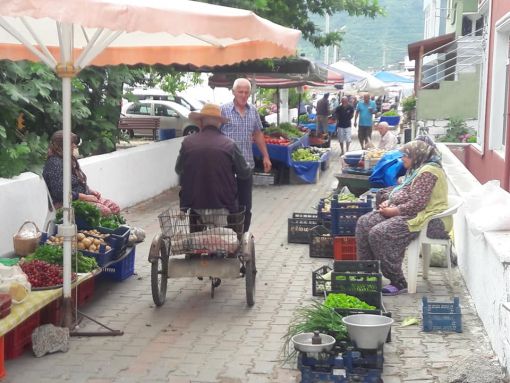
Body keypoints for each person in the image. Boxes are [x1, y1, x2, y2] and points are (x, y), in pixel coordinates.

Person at [355, 140, 451, 296]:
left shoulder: (429, 172)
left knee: (380, 233)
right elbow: (406, 191)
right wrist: (389, 201)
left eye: (406, 155)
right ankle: (368, 274)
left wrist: (392, 211)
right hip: (412, 213)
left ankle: (398, 282)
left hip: (431, 220)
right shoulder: (416, 169)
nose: (402, 159)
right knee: (364, 222)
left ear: (417, 155)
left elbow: (418, 203)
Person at [175, 103, 250, 219]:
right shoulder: (229, 144)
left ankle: (190, 221)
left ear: (200, 122)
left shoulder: (187, 143)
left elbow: (178, 169)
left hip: (194, 204)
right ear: (219, 123)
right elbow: (244, 172)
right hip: (224, 205)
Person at [220, 78, 271, 232]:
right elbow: (215, 135)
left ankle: (243, 235)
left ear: (250, 93)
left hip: (246, 165)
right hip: (226, 167)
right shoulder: (223, 110)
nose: (243, 95)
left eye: (246, 92)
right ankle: (228, 235)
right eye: (240, 92)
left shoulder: (253, 111)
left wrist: (266, 156)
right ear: (233, 92)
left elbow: (258, 134)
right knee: (228, 204)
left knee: (245, 204)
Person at [43, 130, 120, 216]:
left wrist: (90, 191)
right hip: (65, 204)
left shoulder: (68, 160)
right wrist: (84, 197)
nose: (74, 146)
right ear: (62, 146)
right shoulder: (54, 163)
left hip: (82, 198)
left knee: (114, 207)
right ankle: (96, 229)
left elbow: (77, 181)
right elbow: (60, 193)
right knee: (105, 211)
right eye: (72, 143)